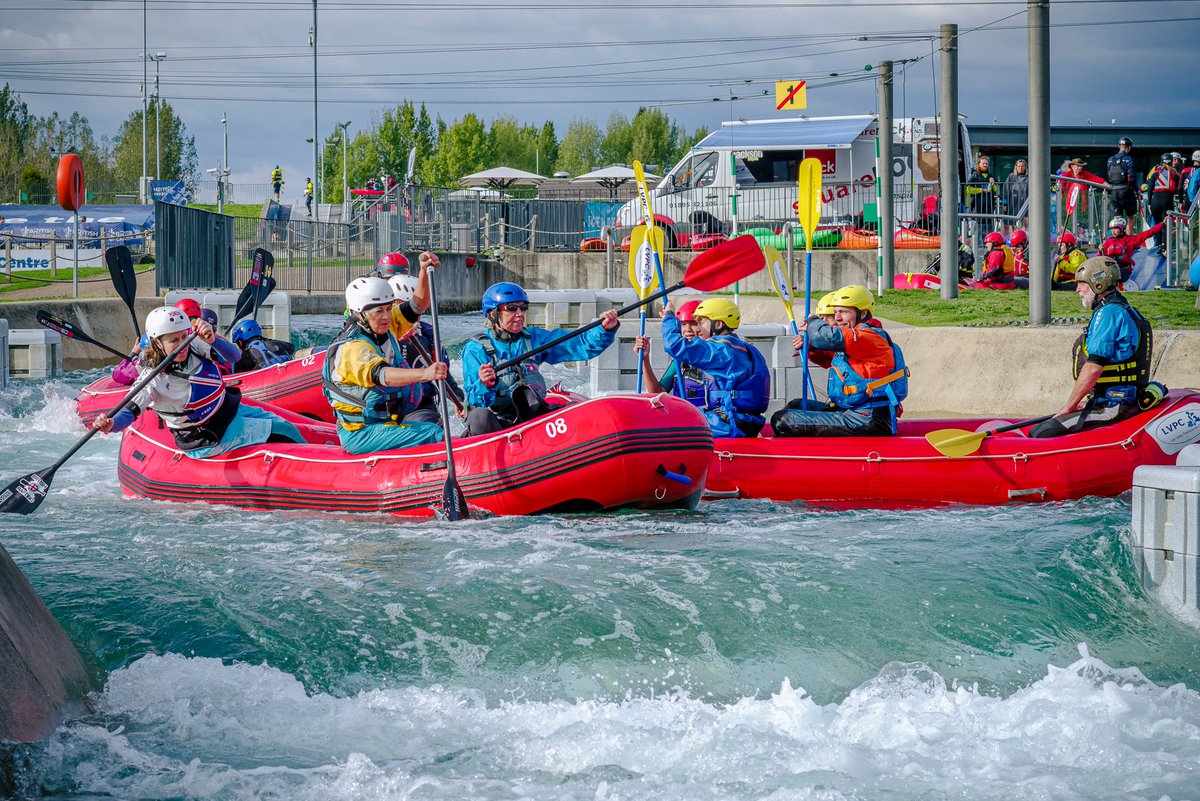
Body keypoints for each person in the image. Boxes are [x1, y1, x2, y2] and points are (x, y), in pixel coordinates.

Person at [92, 307, 304, 457]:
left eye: (183, 337)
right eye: (173, 341)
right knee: (284, 432)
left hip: (227, 412)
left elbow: (233, 357)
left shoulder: (194, 346)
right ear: (157, 343)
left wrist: (212, 339)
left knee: (286, 425)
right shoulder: (151, 380)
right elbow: (129, 411)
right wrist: (111, 424)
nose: (181, 345)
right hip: (208, 436)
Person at [461, 282, 620, 437]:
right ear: (492, 314)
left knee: (575, 410)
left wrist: (605, 330)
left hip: (534, 416)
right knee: (479, 418)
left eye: (523, 308)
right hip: (499, 422)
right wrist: (484, 384)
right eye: (511, 308)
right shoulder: (476, 349)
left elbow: (579, 345)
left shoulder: (534, 338)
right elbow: (475, 400)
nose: (520, 314)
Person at [1030, 257, 1152, 439]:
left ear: (1098, 284)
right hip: (1111, 400)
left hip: (1116, 406)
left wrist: (1068, 407)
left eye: (1081, 284)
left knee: (1041, 432)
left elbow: (1094, 367)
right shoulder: (1122, 308)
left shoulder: (1109, 313)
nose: (1077, 289)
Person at [322, 277, 446, 454]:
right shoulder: (353, 348)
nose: (386, 316)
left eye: (389, 309)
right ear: (360, 314)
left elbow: (418, 305)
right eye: (379, 311)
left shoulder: (385, 326)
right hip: (359, 432)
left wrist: (424, 271)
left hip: (383, 422)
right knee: (432, 433)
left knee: (431, 426)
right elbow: (383, 376)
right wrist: (425, 373)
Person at [771, 285, 908, 438]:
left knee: (782, 420)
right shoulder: (855, 343)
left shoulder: (869, 336)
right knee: (796, 405)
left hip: (867, 418)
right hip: (853, 410)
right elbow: (831, 359)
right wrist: (811, 348)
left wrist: (812, 321)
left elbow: (823, 337)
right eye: (835, 312)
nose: (837, 318)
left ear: (862, 313)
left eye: (843, 312)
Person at [656, 298, 770, 438]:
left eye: (701, 323)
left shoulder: (722, 350)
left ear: (719, 324)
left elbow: (674, 345)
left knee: (667, 420)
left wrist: (669, 315)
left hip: (729, 423)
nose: (697, 329)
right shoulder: (741, 348)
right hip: (742, 421)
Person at [388, 272, 465, 424]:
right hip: (392, 408)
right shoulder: (382, 338)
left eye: (418, 312)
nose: (414, 317)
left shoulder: (428, 335)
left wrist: (459, 400)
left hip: (423, 406)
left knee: (432, 421)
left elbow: (444, 374)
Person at [634, 299, 705, 402]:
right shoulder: (680, 360)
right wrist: (645, 359)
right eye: (683, 324)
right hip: (688, 415)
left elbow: (673, 345)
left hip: (710, 416)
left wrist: (669, 315)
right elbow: (657, 393)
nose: (687, 329)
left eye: (693, 323)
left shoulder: (713, 352)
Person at [1099, 216, 1164, 283]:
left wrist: (1163, 224)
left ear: (1122, 229)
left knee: (1115, 276)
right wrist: (1100, 250)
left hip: (1124, 269)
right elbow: (1099, 258)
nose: (1113, 231)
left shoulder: (1130, 240)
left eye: (1115, 228)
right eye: (1112, 229)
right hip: (1110, 268)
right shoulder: (1108, 241)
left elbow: (1148, 233)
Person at [1142, 153, 1182, 229]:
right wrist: (1180, 201)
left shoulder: (1155, 173)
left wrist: (1150, 203)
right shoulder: (1175, 174)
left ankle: (1158, 241)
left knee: (1157, 226)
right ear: (1171, 162)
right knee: (1166, 227)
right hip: (1168, 202)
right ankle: (1164, 241)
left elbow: (1150, 189)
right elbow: (1179, 189)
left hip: (1155, 202)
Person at [1106, 137, 1137, 224]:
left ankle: (1117, 236)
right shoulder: (1128, 159)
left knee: (1116, 218)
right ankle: (1129, 236)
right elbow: (1132, 177)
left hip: (1114, 191)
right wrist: (1136, 190)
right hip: (1127, 191)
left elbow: (1108, 174)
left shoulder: (1110, 160)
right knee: (1130, 216)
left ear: (1119, 146)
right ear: (1129, 147)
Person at [965, 154, 999, 221]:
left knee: (989, 226)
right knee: (977, 226)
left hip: (989, 205)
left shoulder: (990, 176)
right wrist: (981, 190)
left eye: (986, 163)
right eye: (983, 163)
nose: (985, 165)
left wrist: (993, 183)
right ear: (979, 164)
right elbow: (968, 190)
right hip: (977, 206)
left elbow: (995, 189)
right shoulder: (974, 176)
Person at [1002, 159, 1029, 225]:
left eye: (1022, 166)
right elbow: (1005, 191)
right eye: (1019, 166)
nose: (1020, 168)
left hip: (1026, 203)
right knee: (1011, 222)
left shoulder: (1029, 177)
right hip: (1012, 203)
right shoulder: (1011, 176)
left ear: (1025, 167)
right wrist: (1004, 204)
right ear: (1016, 167)